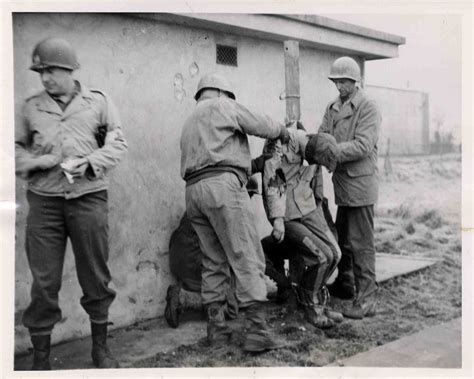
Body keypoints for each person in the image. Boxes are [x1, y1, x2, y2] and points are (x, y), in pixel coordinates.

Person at [15, 38, 128, 370]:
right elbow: (14, 153)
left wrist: (90, 161)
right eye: (41, 72)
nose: (46, 78)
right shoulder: (31, 107)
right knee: (44, 282)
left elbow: (118, 144)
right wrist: (41, 161)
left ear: (69, 70)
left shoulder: (98, 102)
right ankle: (40, 359)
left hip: (88, 198)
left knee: (95, 275)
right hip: (45, 203)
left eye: (51, 70)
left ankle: (100, 350)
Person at [180, 72, 290, 352]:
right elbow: (259, 123)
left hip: (194, 193)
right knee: (247, 255)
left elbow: (214, 161)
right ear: (221, 91)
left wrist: (251, 163)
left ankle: (216, 330)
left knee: (213, 261)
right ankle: (256, 332)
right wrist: (282, 130)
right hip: (224, 191)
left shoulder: (190, 121)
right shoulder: (222, 105)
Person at [304, 56, 382, 319]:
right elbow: (323, 134)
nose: (339, 86)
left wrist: (331, 151)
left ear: (354, 81)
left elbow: (363, 145)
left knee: (361, 244)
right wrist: (309, 143)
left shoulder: (368, 107)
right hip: (343, 186)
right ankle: (346, 284)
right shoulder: (333, 107)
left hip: (360, 185)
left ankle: (368, 298)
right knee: (344, 239)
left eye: (343, 82)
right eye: (336, 81)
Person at [261, 124, 342, 329]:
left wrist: (319, 207)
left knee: (335, 254)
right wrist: (277, 220)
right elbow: (272, 183)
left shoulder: (318, 145)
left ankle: (320, 302)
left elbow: (317, 180)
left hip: (308, 209)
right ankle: (309, 304)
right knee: (321, 257)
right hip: (287, 214)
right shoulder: (279, 145)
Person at [165, 177, 260, 328]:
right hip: (194, 261)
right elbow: (236, 250)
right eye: (250, 194)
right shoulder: (229, 206)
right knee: (231, 309)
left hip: (180, 256)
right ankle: (183, 298)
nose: (249, 199)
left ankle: (187, 295)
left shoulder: (210, 196)